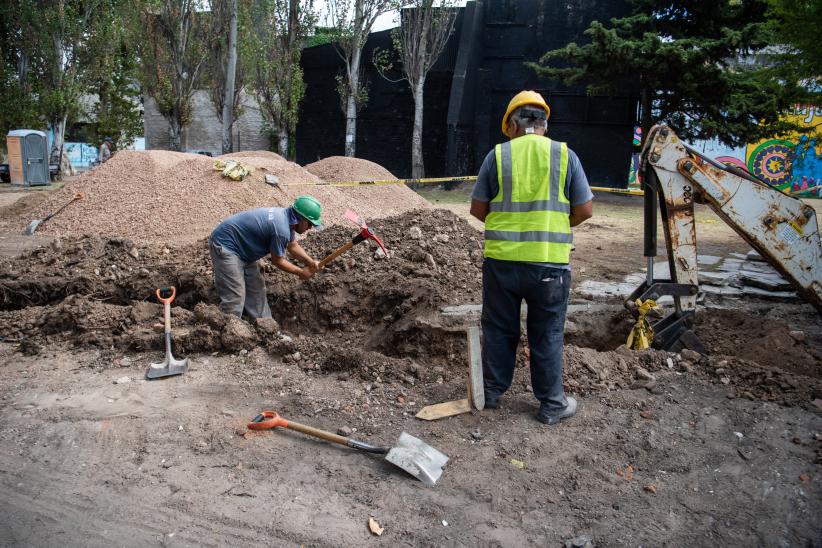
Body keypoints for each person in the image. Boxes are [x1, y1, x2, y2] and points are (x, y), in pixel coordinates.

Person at [470, 90, 593, 425]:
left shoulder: (497, 156)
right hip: (549, 264)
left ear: (511, 123)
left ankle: (491, 393)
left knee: (498, 329)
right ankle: (552, 404)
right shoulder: (565, 155)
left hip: (502, 263)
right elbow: (584, 209)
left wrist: (509, 226)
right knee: (547, 332)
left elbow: (478, 208)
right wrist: (553, 226)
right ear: (544, 122)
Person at [209, 195, 323, 318]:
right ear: (300, 219)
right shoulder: (281, 229)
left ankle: (265, 326)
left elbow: (293, 246)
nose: (310, 228)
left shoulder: (287, 219)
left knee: (256, 289)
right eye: (310, 223)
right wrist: (300, 272)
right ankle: (228, 330)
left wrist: (310, 262)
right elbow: (277, 261)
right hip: (226, 245)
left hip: (244, 250)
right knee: (235, 296)